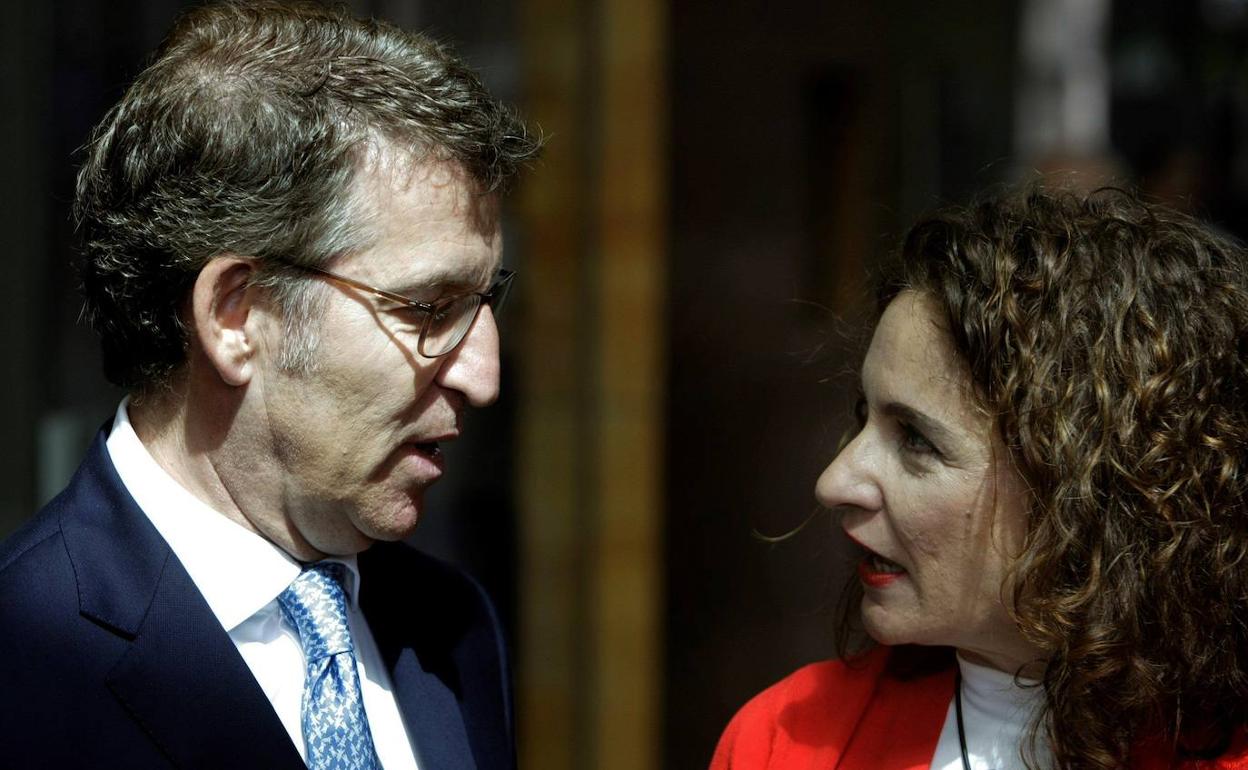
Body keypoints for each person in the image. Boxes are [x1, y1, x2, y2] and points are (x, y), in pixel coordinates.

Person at [0, 2, 539, 769]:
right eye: (429, 307)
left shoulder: (450, 628)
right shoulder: (26, 662)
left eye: (485, 301)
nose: (483, 373)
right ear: (236, 316)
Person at [711, 187, 1248, 770]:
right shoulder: (784, 741)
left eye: (916, 439)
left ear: (1086, 487)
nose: (834, 481)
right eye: (863, 415)